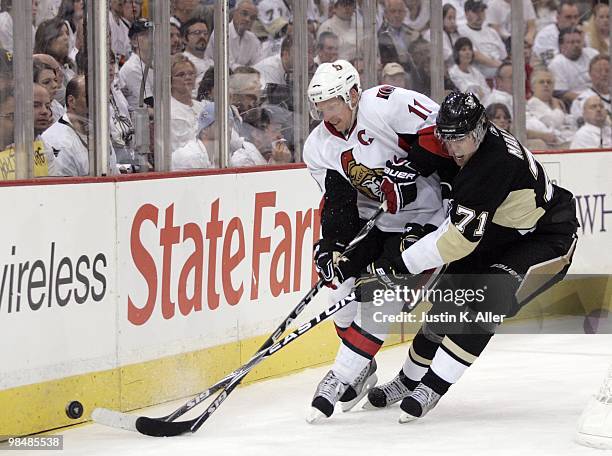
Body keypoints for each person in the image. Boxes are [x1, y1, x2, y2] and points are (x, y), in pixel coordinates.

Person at [357, 91, 578, 423]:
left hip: (546, 236)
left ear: (482, 129)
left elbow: (457, 241)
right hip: (501, 232)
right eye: (449, 138)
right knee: (447, 303)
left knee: (486, 301)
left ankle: (432, 387)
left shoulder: (492, 163)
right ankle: (407, 380)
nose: (456, 147)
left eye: (465, 138)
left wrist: (399, 267)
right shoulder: (461, 150)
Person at [302, 60, 454, 422]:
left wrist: (413, 169)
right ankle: (361, 367)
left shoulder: (386, 103)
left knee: (379, 297)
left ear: (353, 95)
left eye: (332, 105)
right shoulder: (319, 145)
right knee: (337, 287)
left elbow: (440, 131)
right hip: (380, 221)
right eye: (320, 108)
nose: (326, 115)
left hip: (429, 218)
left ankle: (338, 376)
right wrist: (333, 244)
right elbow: (339, 200)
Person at [41, 75, 89, 176]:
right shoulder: (59, 140)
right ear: (71, 101)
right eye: (89, 97)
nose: (97, 102)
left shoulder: (99, 130)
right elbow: (67, 188)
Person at [547, 27, 599, 106]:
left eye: (578, 41)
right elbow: (562, 93)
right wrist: (588, 100)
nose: (576, 45)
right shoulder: (556, 63)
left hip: (600, 95)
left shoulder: (593, 54)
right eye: (571, 42)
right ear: (561, 46)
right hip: (576, 103)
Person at [204, 0, 263, 68]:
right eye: (244, 14)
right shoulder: (221, 32)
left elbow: (258, 64)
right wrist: (249, 71)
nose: (248, 19)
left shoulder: (253, 38)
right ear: (235, 13)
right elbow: (226, 65)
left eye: (252, 18)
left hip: (242, 76)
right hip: (215, 74)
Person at [457, 0, 507, 79]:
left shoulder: (491, 31)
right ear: (466, 14)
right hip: (480, 71)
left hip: (499, 68)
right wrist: (502, 66)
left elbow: (503, 55)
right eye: (476, 12)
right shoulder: (462, 31)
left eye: (482, 11)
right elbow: (476, 55)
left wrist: (505, 65)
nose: (479, 15)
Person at [170, 53, 205, 153]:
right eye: (181, 74)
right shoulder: (168, 110)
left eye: (191, 73)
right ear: (170, 80)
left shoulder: (201, 106)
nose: (188, 77)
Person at [119, 18, 154, 109]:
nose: (151, 39)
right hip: (139, 120)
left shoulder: (155, 63)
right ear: (134, 42)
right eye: (145, 35)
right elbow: (150, 102)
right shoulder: (132, 68)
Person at [533, 0, 580, 65]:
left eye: (576, 17)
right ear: (558, 18)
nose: (573, 21)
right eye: (568, 17)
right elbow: (552, 63)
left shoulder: (581, 34)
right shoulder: (545, 36)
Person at [172, 102, 216, 170]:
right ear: (205, 129)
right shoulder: (190, 157)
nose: (228, 129)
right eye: (222, 124)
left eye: (230, 123)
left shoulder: (218, 155)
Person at [569, 54, 610, 127]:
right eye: (599, 71)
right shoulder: (581, 101)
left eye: (607, 71)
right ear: (590, 74)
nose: (604, 74)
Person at [448, 37, 491, 102]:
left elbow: (487, 90)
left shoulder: (476, 72)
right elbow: (462, 91)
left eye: (470, 49)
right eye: (463, 49)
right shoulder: (452, 73)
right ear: (457, 53)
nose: (468, 52)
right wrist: (478, 93)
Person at [181, 17, 213, 95]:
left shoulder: (212, 62)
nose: (202, 36)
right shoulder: (181, 61)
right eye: (197, 33)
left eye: (205, 33)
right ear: (184, 39)